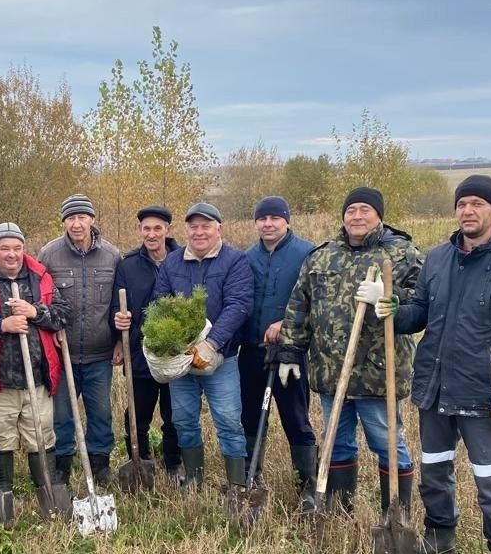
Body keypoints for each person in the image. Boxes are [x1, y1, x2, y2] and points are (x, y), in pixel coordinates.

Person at [377, 175, 491, 554]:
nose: (468, 211)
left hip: (484, 392)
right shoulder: (438, 258)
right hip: (435, 386)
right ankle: (440, 533)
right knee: (434, 469)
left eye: (477, 203)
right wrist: (392, 309)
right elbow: (420, 313)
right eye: (462, 204)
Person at [278, 186, 422, 513]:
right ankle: (338, 510)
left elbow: (423, 304)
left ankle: (395, 513)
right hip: (331, 370)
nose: (357, 216)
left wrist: (389, 296)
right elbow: (299, 305)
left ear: (379, 215)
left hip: (377, 373)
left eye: (364, 210)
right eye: (351, 210)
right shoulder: (323, 256)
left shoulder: (402, 253)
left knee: (387, 443)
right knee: (337, 442)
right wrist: (289, 351)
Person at [151, 202, 253, 491]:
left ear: (218, 228)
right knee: (183, 419)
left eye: (206, 226)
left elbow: (238, 304)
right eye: (193, 226)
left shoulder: (235, 260)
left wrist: (211, 344)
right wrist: (171, 344)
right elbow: (160, 303)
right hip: (182, 361)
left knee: (229, 420)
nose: (199, 232)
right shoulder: (172, 262)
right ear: (186, 230)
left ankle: (236, 484)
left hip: (222, 358)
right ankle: (194, 479)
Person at [0, 222, 70, 492]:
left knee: (41, 435)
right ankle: (3, 491)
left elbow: (63, 314)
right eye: (4, 248)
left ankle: (47, 491)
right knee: (0, 438)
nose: (11, 254)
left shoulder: (40, 277)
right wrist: (2, 325)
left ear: (24, 249)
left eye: (17, 248)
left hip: (38, 379)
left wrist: (35, 312)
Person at [239, 196, 317, 510]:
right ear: (255, 222)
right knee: (250, 416)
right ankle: (250, 475)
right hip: (252, 352)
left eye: (275, 218)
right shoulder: (246, 257)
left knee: (295, 416)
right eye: (262, 218)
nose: (268, 224)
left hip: (290, 354)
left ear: (287, 220)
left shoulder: (307, 254)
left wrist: (287, 323)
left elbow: (317, 303)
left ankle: (307, 482)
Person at [38, 194, 120, 487]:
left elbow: (117, 305)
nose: (76, 223)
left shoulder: (112, 255)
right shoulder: (49, 255)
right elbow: (41, 301)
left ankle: (100, 464)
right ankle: (62, 463)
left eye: (81, 217)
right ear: (64, 222)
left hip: (100, 354)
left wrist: (120, 342)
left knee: (100, 413)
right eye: (70, 218)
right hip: (63, 354)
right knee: (62, 415)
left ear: (92, 219)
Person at [110, 205, 182, 479]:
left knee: (175, 415)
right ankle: (140, 461)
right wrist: (118, 324)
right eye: (146, 229)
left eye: (157, 228)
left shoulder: (184, 259)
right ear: (140, 231)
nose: (151, 234)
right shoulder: (128, 265)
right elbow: (116, 306)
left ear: (167, 230)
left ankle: (173, 462)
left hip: (177, 355)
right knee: (137, 416)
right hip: (140, 354)